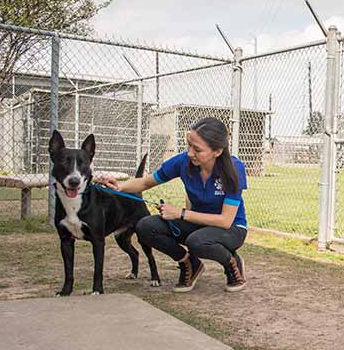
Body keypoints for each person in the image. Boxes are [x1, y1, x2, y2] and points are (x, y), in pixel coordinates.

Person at [101, 117, 248, 293]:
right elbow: (146, 182)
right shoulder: (183, 162)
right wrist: (119, 186)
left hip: (232, 228)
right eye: (189, 145)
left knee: (197, 242)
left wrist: (180, 213)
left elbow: (225, 220)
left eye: (197, 149)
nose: (190, 153)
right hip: (198, 223)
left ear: (217, 151)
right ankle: (190, 264)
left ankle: (232, 263)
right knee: (145, 226)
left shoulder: (234, 168)